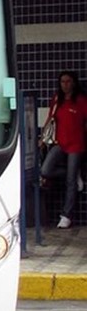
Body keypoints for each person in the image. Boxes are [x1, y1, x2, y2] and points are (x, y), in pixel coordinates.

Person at [40, 70, 87, 229]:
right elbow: (50, 119)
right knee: (45, 170)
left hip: (76, 144)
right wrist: (43, 138)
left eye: (68, 81)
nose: (65, 85)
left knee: (70, 183)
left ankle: (66, 216)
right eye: (62, 82)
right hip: (59, 143)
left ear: (74, 83)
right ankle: (73, 173)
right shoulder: (57, 99)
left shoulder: (80, 101)